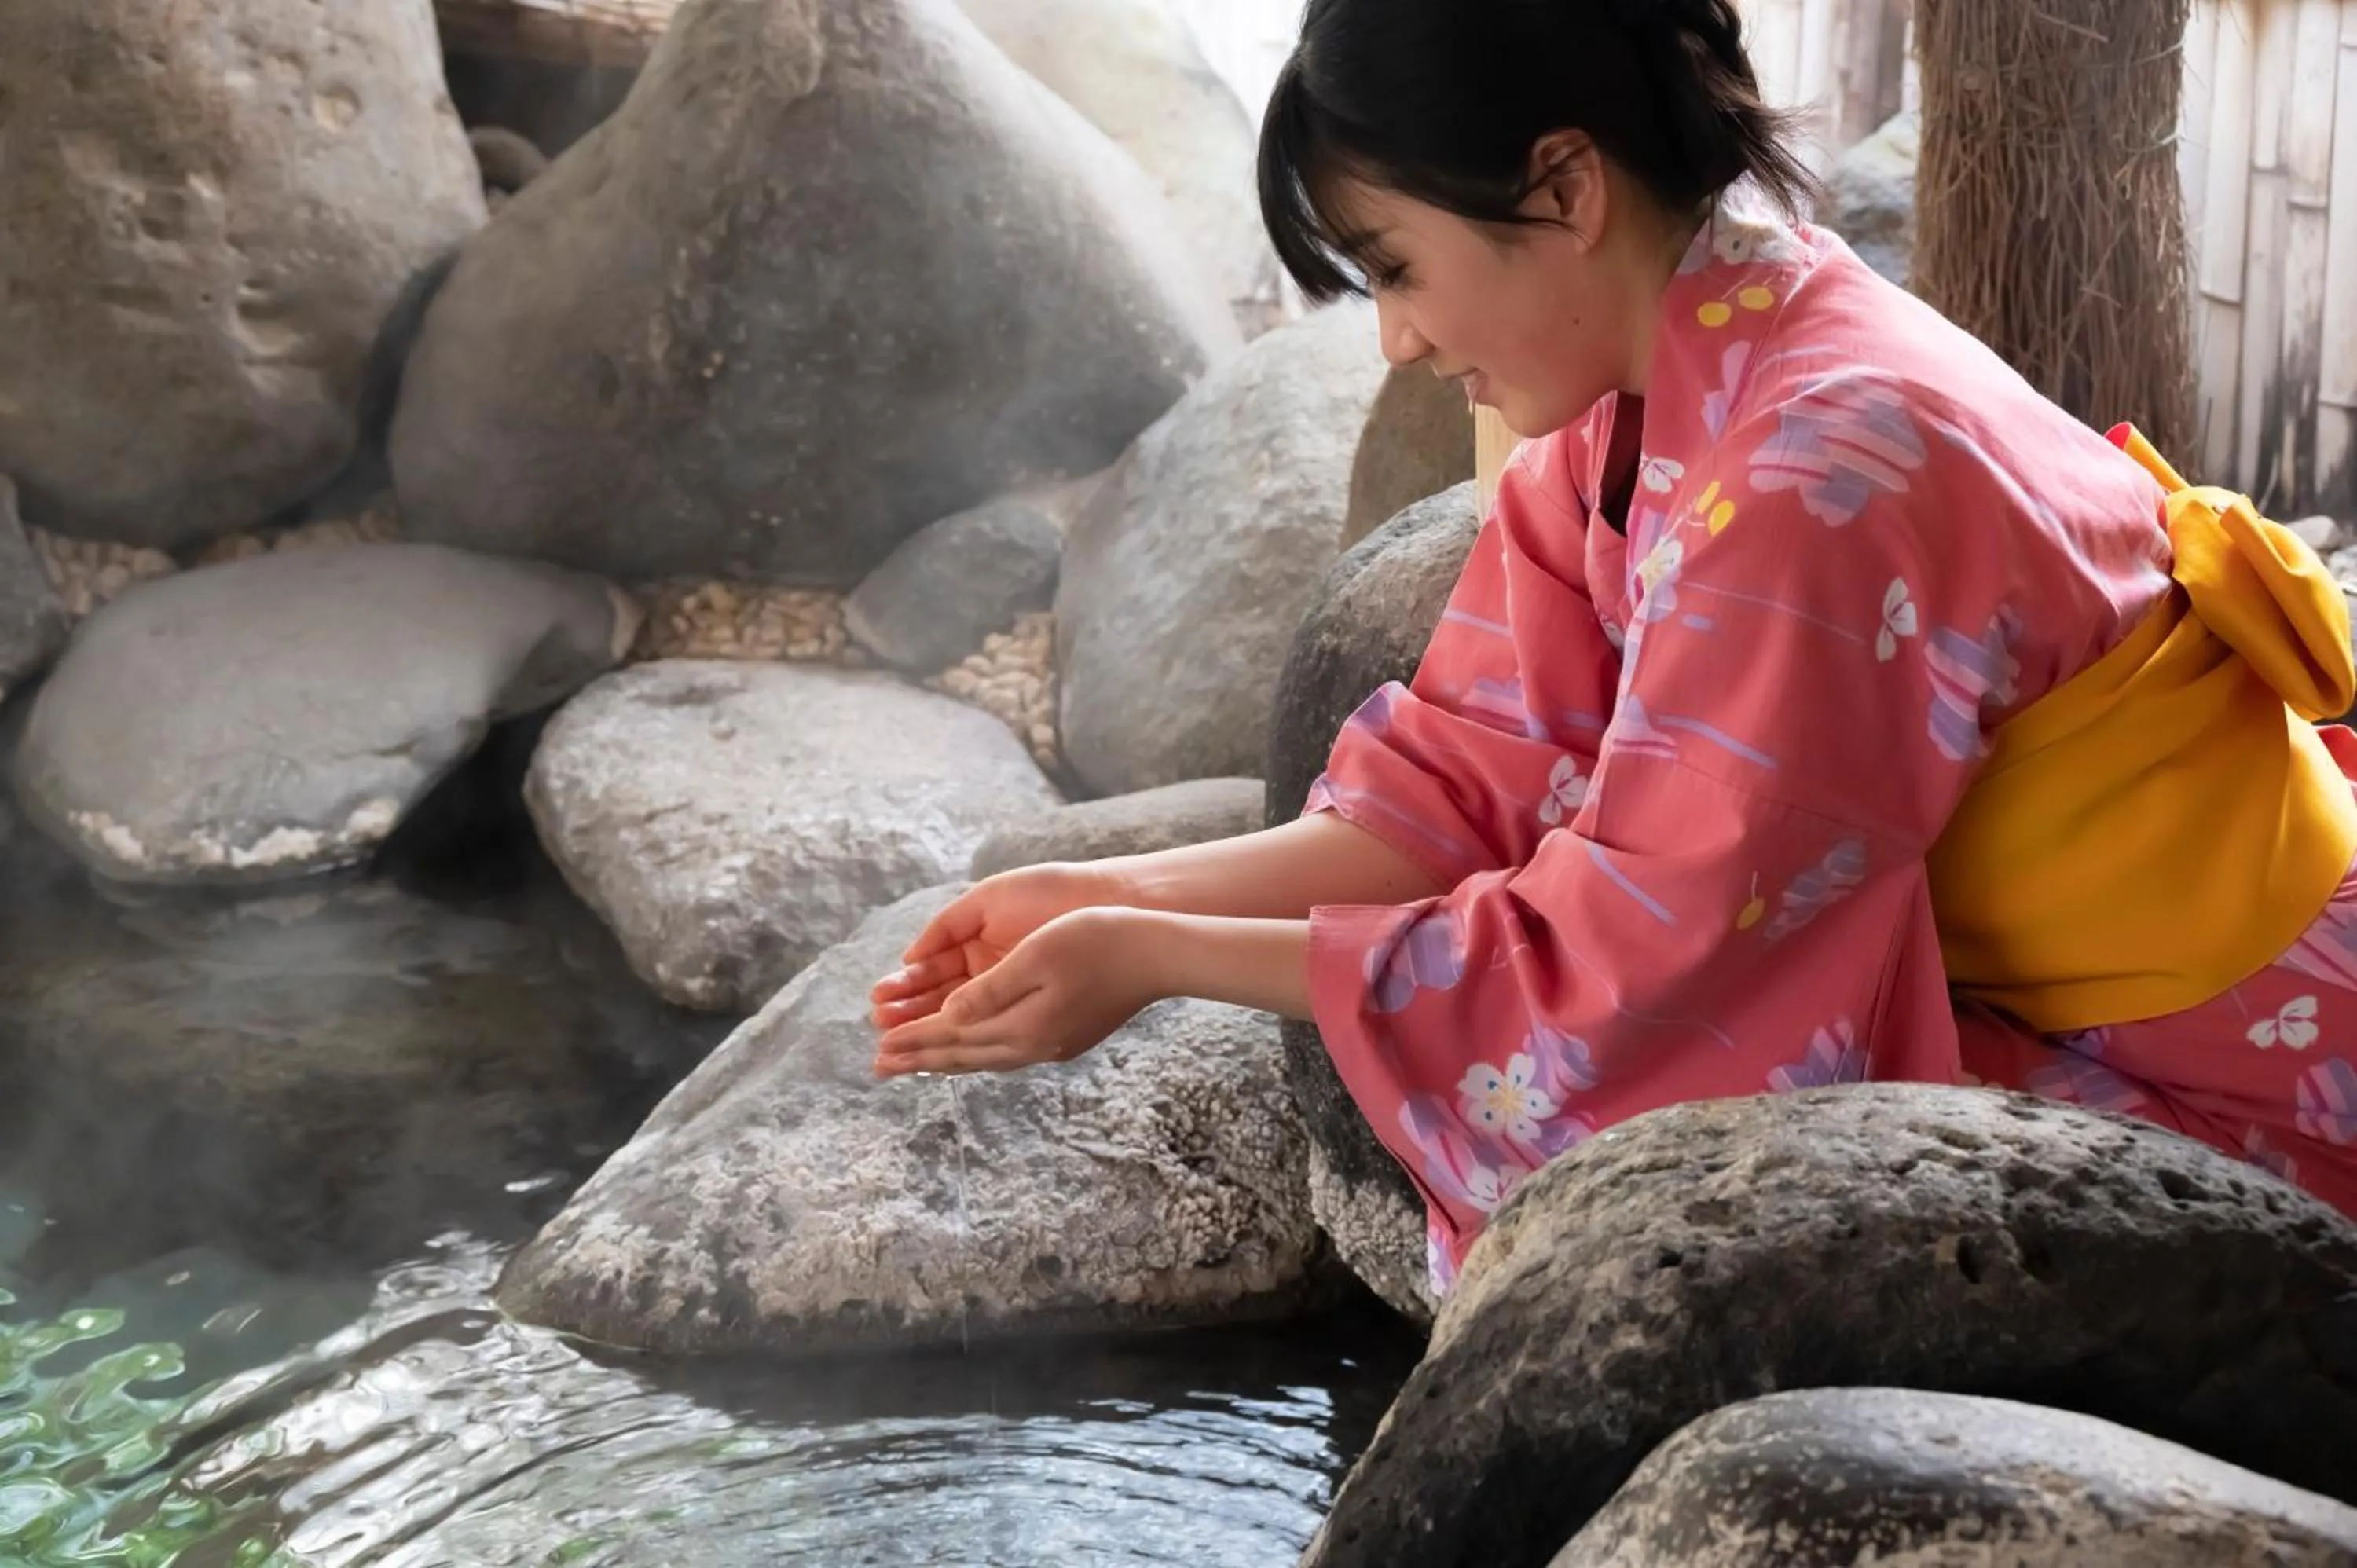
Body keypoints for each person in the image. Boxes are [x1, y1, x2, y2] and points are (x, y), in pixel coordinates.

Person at [871, 0, 2357, 1293]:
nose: (1393, 339)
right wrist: (1101, 891)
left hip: (2249, 1057)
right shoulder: (1647, 403)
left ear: (1565, 186)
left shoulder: (1811, 478)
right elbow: (1461, 788)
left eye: (1394, 266)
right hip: (2106, 991)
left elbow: (1637, 967)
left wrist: (1157, 958)